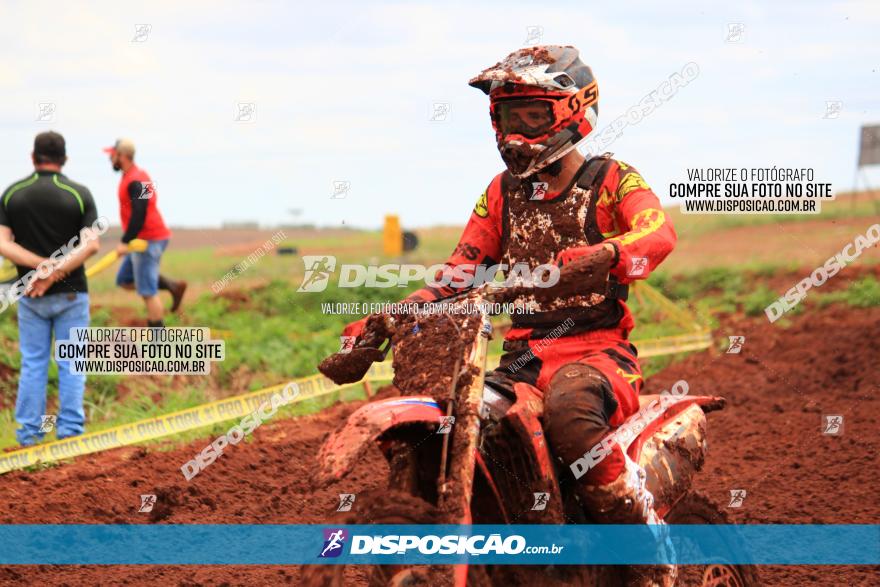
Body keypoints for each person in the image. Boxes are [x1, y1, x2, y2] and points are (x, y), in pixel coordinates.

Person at [343, 46, 677, 586]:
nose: (516, 133)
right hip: (522, 359)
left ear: (572, 110)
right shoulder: (501, 193)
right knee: (460, 425)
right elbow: (460, 271)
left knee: (570, 414)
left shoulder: (612, 179)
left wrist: (607, 254)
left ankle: (647, 547)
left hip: (599, 353)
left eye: (532, 116)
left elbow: (657, 232)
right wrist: (388, 319)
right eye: (506, 117)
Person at [0, 131, 101, 446]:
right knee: (72, 363)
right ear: (65, 159)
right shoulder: (79, 193)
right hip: (73, 294)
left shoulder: (12, 193)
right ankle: (70, 435)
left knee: (33, 363)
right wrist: (54, 269)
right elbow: (92, 245)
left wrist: (39, 270)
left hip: (30, 295)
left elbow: (3, 244)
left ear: (33, 157)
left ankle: (29, 435)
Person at [104, 138, 186, 326]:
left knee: (148, 292)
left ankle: (158, 342)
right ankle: (173, 286)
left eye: (112, 155)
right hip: (147, 238)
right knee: (125, 280)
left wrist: (125, 241)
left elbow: (140, 213)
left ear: (122, 156)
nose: (110, 159)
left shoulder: (136, 179)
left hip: (148, 240)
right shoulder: (137, 175)